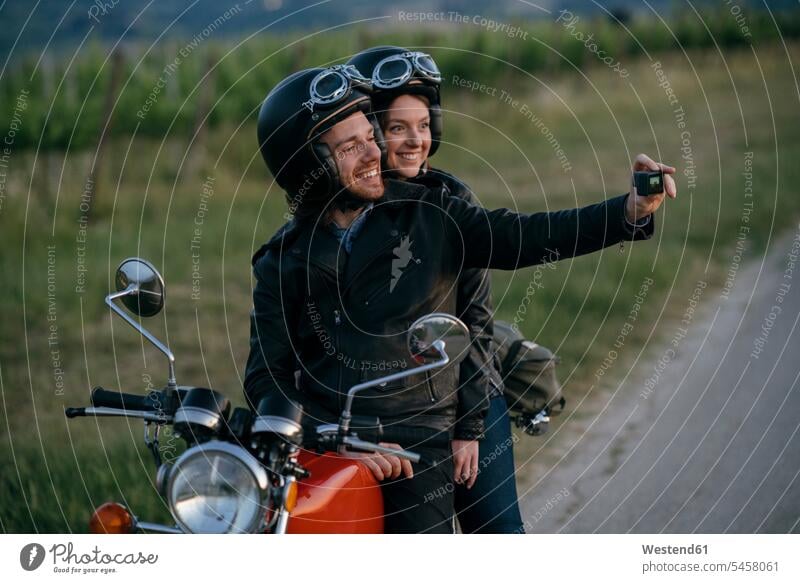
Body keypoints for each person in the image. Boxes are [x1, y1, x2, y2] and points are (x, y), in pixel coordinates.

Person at [245, 65, 676, 533]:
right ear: (309, 168)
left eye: (370, 135)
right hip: (329, 448)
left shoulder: (432, 213)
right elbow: (265, 377)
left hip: (417, 443)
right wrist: (335, 435)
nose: (375, 152)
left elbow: (522, 236)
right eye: (352, 147)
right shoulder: (280, 262)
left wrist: (626, 212)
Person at [346, 46, 521, 533]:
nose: (413, 141)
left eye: (422, 126)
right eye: (397, 127)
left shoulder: (452, 201)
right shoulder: (341, 212)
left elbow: (477, 319)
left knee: (498, 535)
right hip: (383, 418)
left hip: (468, 399)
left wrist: (469, 430)